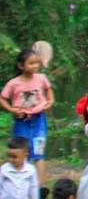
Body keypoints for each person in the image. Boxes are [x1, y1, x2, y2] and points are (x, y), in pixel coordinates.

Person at [1, 48, 53, 186]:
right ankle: (20, 183)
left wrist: (50, 102)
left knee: (39, 152)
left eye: (37, 63)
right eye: (31, 63)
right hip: (21, 120)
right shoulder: (14, 83)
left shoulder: (41, 78)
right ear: (21, 65)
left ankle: (40, 187)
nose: (35, 66)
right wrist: (12, 109)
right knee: (22, 149)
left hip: (39, 119)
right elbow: (3, 98)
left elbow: (48, 90)